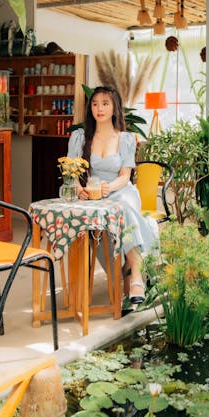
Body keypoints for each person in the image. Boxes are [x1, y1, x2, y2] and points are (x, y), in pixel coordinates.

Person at [67, 86, 157, 304]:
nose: (99, 108)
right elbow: (70, 173)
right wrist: (77, 187)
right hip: (93, 195)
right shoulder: (79, 137)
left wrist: (110, 187)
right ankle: (124, 272)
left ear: (115, 108)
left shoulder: (126, 139)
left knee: (123, 207)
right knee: (97, 225)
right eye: (95, 103)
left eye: (105, 103)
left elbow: (125, 176)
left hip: (120, 191)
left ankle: (135, 271)